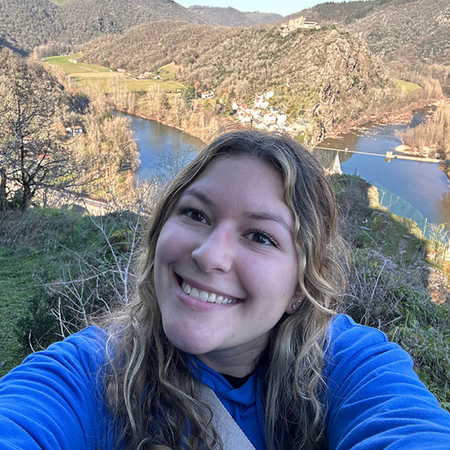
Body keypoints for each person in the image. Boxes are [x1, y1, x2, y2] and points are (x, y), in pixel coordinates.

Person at [1, 130, 450, 450]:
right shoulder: (91, 375)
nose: (210, 255)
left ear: (301, 285)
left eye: (260, 236)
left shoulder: (351, 365)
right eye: (196, 214)